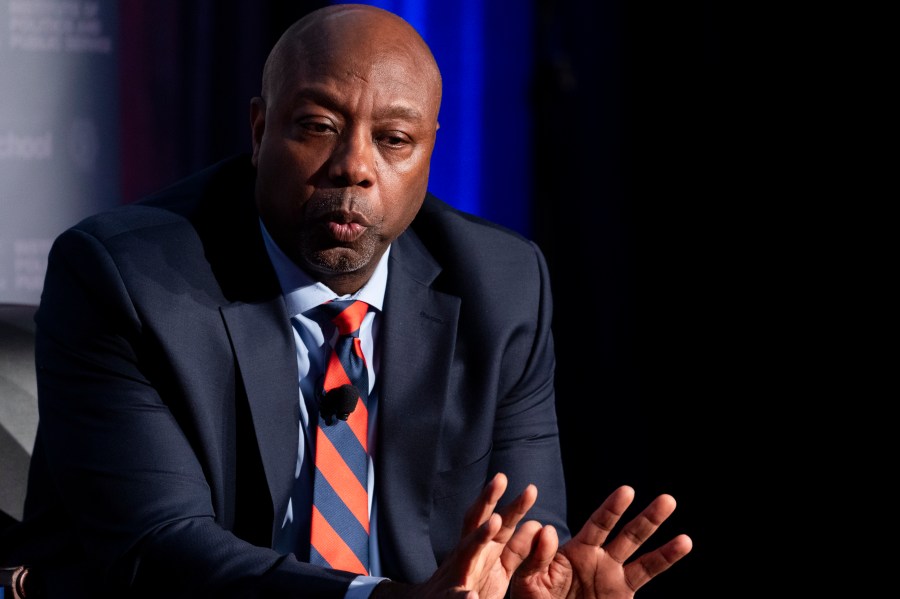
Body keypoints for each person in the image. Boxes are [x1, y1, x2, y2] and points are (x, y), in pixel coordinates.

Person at [0, 4, 692, 598]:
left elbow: (516, 536)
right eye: (319, 126)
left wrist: (539, 581)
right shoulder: (126, 277)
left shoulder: (502, 285)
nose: (355, 166)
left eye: (394, 140)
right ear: (259, 129)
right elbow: (160, 548)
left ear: (428, 152)